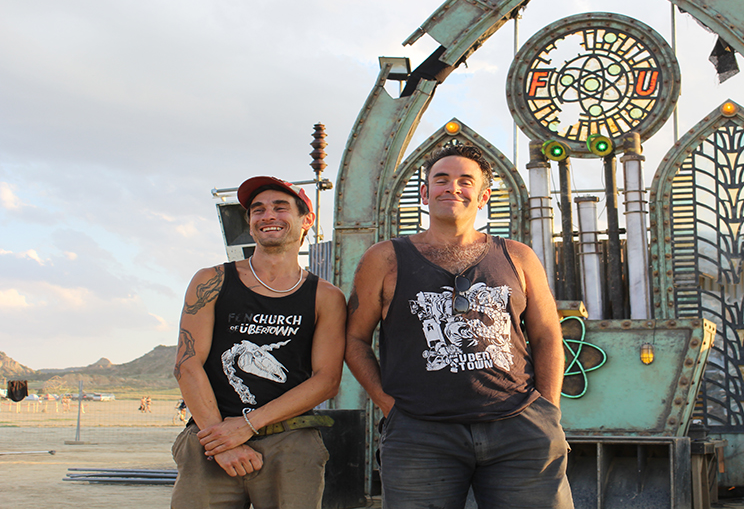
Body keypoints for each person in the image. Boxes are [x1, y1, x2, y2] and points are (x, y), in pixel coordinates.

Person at [345, 144, 574, 509]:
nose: (453, 188)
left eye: (465, 181)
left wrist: (548, 408)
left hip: (519, 428)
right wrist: (390, 406)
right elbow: (354, 339)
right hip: (420, 434)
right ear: (425, 193)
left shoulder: (517, 256)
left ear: (483, 196)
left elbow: (547, 334)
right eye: (441, 179)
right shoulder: (384, 258)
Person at [172, 176, 346, 509]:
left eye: (281, 208)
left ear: (306, 220)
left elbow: (326, 380)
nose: (268, 216)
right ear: (250, 224)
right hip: (210, 438)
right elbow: (187, 363)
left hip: (290, 443)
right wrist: (222, 440)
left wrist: (248, 425)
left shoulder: (326, 297)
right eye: (258, 210)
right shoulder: (211, 280)